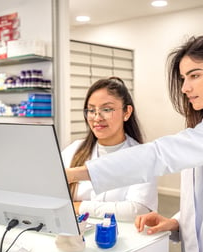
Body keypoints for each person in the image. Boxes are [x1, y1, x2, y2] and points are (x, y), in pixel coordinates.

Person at [65, 35, 203, 252]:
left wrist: (75, 174)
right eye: (184, 78)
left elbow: (160, 154)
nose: (185, 87)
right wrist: (175, 221)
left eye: (195, 75)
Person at [62, 76, 158, 222]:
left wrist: (79, 206)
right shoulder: (74, 150)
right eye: (91, 110)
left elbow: (137, 210)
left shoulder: (142, 157)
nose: (97, 117)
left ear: (126, 112)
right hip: (75, 236)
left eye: (106, 109)